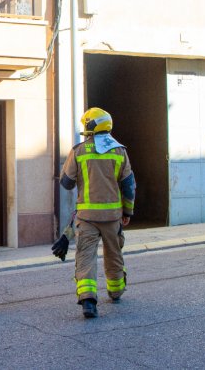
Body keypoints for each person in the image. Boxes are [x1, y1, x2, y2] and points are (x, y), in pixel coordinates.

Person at [60, 107, 137, 318]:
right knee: (114, 254)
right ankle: (116, 290)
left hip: (87, 218)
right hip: (113, 217)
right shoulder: (120, 151)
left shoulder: (78, 151)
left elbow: (66, 183)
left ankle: (88, 300)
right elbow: (129, 186)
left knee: (86, 256)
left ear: (89, 126)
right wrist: (127, 211)